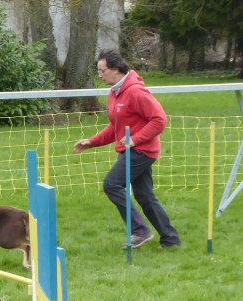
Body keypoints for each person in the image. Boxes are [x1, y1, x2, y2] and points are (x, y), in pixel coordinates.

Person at [74, 49, 181, 249]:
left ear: (115, 70)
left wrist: (136, 139)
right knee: (145, 196)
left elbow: (159, 120)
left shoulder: (135, 91)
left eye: (102, 70)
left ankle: (139, 231)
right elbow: (115, 127)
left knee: (112, 185)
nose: (99, 74)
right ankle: (170, 239)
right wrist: (91, 141)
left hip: (142, 151)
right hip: (132, 150)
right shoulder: (115, 92)